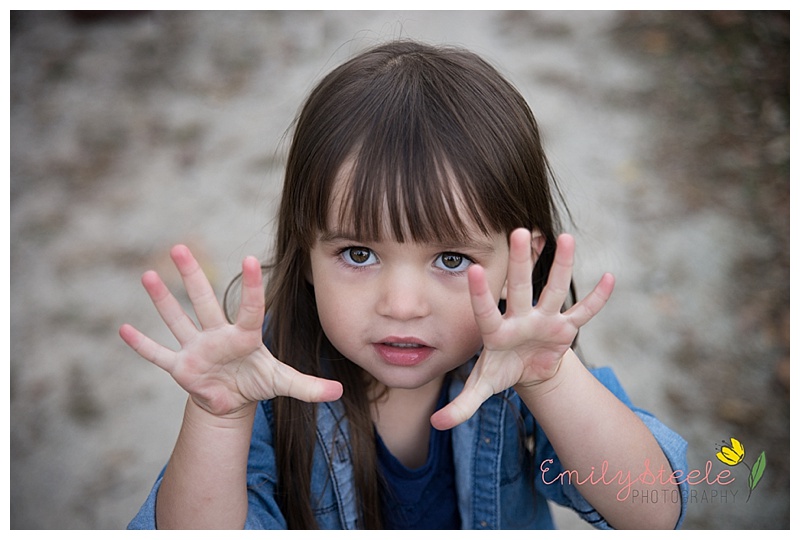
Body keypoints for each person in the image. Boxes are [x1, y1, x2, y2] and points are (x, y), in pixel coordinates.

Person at [121, 40, 688, 530]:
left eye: (449, 258)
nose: (402, 305)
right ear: (305, 247)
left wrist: (554, 381)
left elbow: (653, 510)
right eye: (359, 253)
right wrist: (218, 419)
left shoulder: (530, 371)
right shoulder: (263, 383)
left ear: (520, 259)